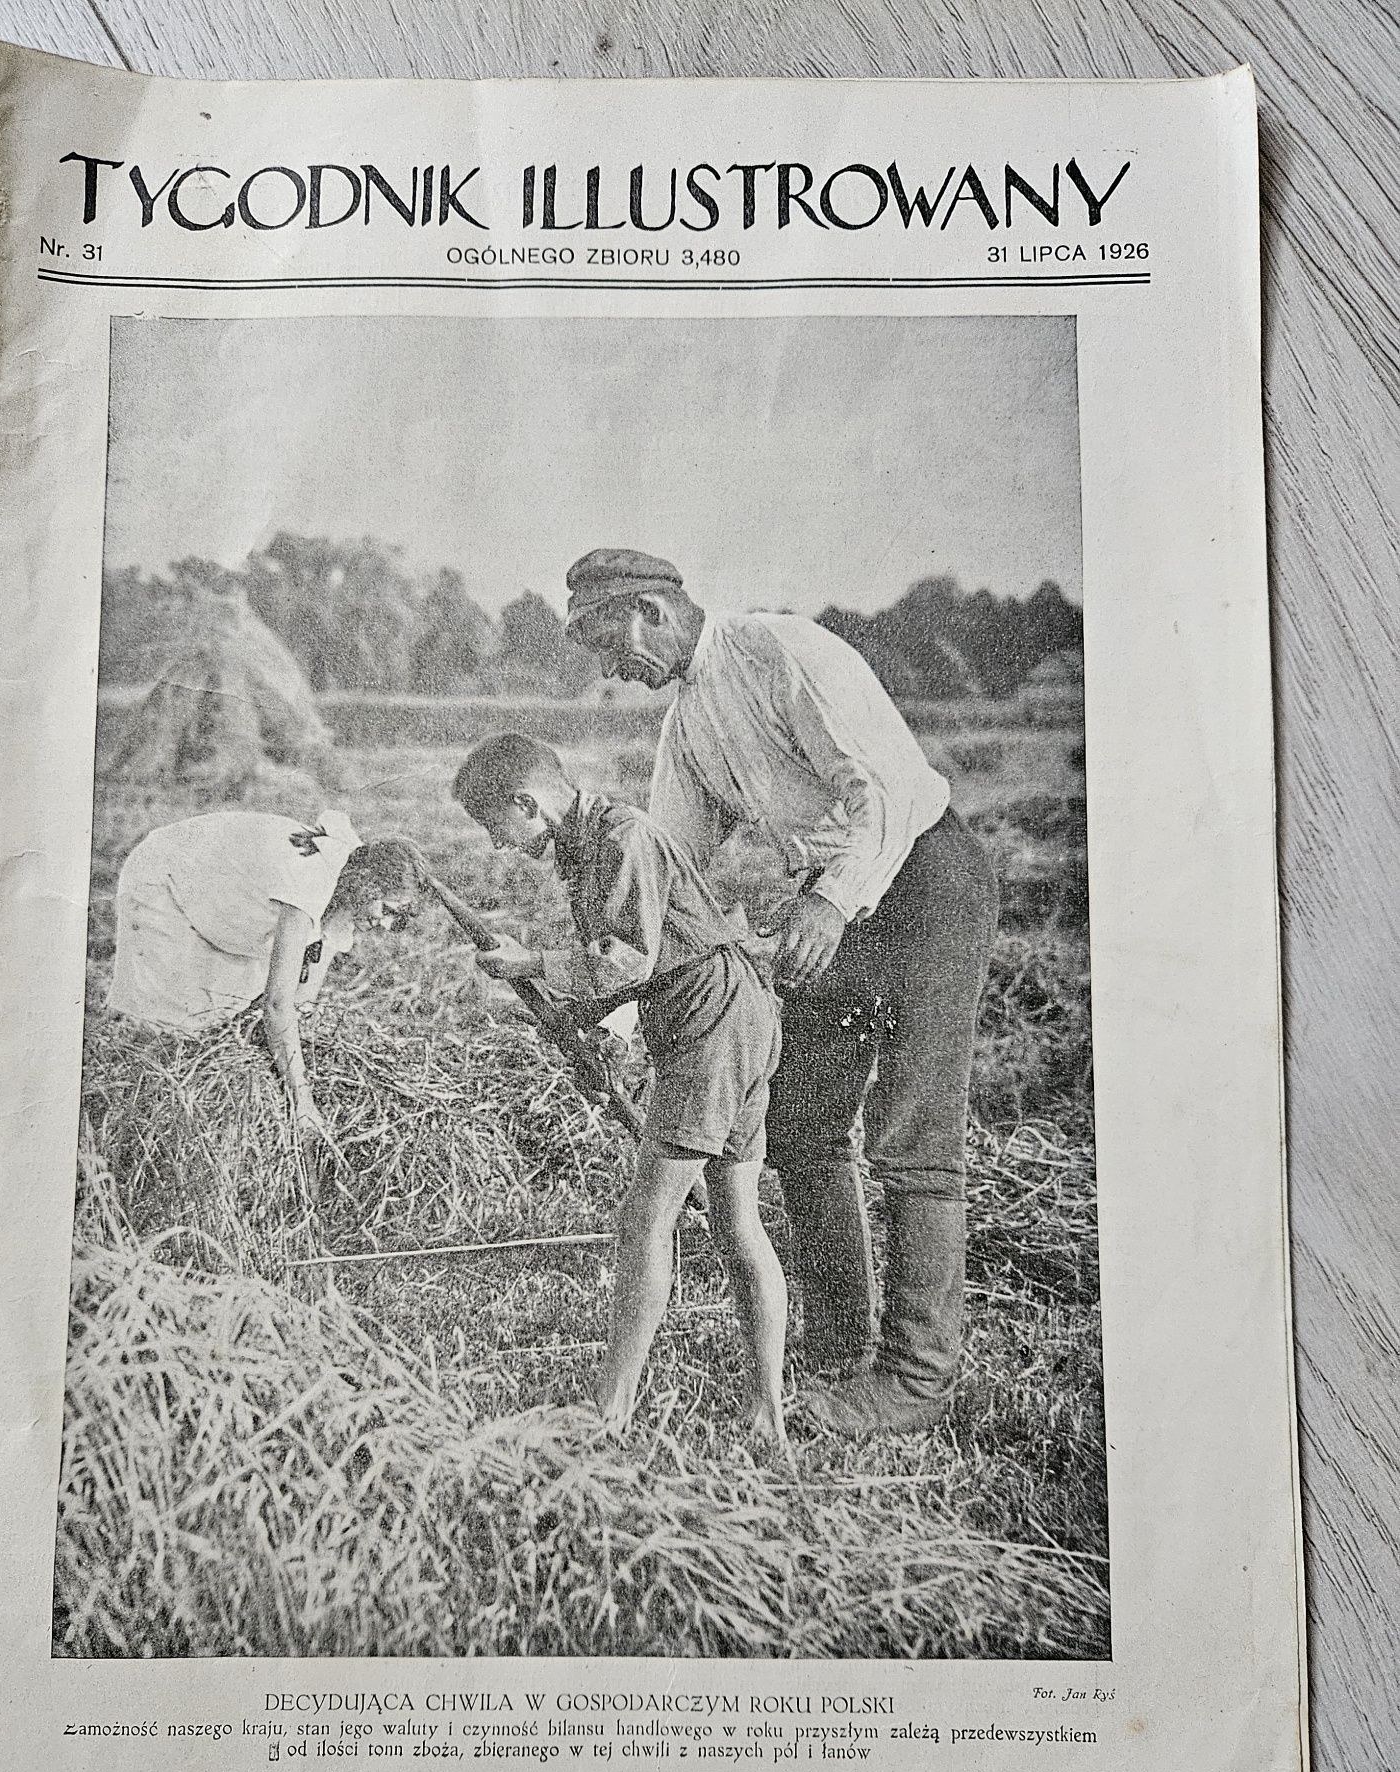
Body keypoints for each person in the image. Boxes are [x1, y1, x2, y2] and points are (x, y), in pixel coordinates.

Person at [564, 548, 999, 1438]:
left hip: (925, 881)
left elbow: (873, 788)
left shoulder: (781, 653)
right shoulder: (688, 726)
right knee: (800, 1122)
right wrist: (606, 1006)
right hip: (830, 905)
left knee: (914, 1133)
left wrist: (831, 904)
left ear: (650, 608)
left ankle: (918, 1376)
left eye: (613, 647)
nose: (613, 672)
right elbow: (666, 872)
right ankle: (840, 1353)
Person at [451, 733, 789, 1449]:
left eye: (496, 829)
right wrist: (598, 1028)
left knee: (645, 1220)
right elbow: (644, 958)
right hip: (729, 1016)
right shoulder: (589, 845)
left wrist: (530, 962)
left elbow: (624, 959)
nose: (496, 846)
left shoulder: (622, 837)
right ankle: (768, 1413)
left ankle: (609, 1414)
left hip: (712, 1024)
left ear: (526, 803)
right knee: (736, 1223)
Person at [107, 808, 418, 1164]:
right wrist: (302, 1103)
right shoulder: (313, 879)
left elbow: (303, 999)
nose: (386, 925)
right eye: (389, 910)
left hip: (227, 899)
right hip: (168, 879)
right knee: (170, 1021)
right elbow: (277, 1005)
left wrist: (296, 1067)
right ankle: (133, 1123)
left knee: (221, 1012)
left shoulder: (349, 893)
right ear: (368, 885)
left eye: (398, 918)